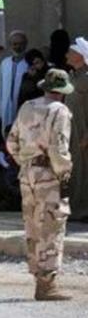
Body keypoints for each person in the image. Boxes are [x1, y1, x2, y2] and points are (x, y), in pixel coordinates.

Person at [6, 68, 74, 301]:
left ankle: (39, 280)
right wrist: (63, 172)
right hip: (49, 175)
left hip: (27, 174)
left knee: (33, 225)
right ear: (62, 92)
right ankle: (48, 284)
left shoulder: (26, 107)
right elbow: (59, 148)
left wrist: (26, 163)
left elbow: (11, 141)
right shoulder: (60, 111)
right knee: (52, 226)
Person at [65, 36, 88, 222]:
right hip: (71, 130)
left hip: (83, 131)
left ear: (80, 55)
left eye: (71, 53)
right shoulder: (72, 76)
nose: (67, 56)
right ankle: (75, 207)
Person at [0, 30, 29, 134]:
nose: (17, 47)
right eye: (14, 44)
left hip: (23, 107)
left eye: (20, 44)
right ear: (10, 45)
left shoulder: (29, 63)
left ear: (25, 45)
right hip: (6, 106)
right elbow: (0, 88)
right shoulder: (5, 63)